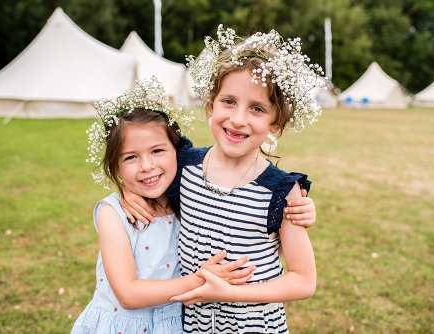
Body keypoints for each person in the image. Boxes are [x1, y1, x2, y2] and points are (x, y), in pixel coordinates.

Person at [123, 25, 325, 333]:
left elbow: (303, 280)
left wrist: (230, 292)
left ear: (275, 123)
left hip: (254, 325)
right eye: (228, 101)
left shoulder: (282, 192)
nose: (238, 119)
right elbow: (147, 173)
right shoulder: (184, 165)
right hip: (193, 325)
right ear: (210, 104)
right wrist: (129, 192)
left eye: (257, 108)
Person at [71, 77, 257, 334]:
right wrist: (202, 280)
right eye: (131, 157)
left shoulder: (187, 199)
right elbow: (128, 293)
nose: (147, 165)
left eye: (157, 151)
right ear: (115, 167)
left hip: (176, 326)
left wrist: (294, 204)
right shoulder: (113, 214)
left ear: (177, 152)